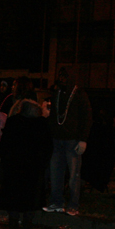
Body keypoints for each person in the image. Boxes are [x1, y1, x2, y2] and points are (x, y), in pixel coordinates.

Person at [0, 100, 53, 229]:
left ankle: (14, 220)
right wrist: (43, 163)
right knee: (31, 196)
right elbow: (47, 147)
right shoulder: (41, 124)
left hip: (14, 165)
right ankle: (27, 221)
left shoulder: (14, 122)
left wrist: (6, 161)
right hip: (33, 167)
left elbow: (5, 144)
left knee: (13, 194)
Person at [44, 67, 92, 216]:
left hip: (72, 140)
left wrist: (83, 139)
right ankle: (56, 202)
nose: (61, 79)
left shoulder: (79, 94)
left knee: (73, 175)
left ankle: (73, 205)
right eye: (60, 76)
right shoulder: (57, 93)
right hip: (57, 139)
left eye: (64, 76)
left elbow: (87, 117)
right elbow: (54, 116)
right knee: (55, 173)